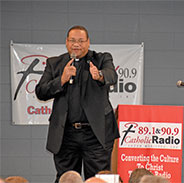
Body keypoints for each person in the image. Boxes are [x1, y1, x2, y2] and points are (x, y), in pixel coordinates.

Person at [35, 25, 120, 183]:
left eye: (81, 41)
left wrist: (99, 75)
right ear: (66, 42)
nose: (76, 44)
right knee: (66, 178)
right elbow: (41, 91)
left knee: (99, 179)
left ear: (88, 43)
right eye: (72, 40)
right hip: (66, 134)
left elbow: (112, 75)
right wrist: (61, 79)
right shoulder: (54, 63)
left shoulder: (101, 59)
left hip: (96, 135)